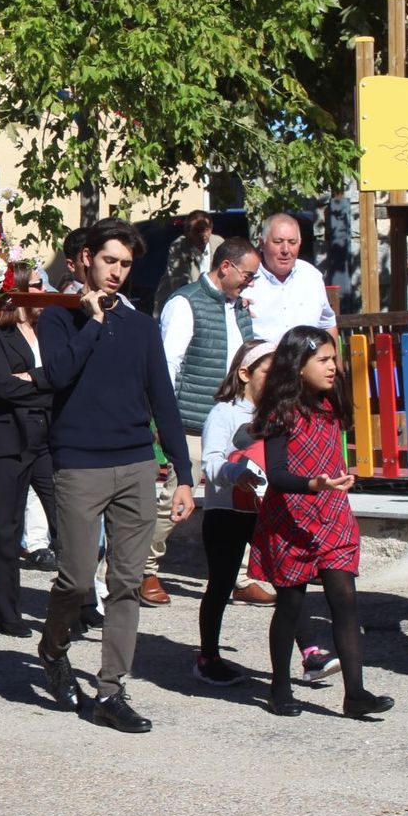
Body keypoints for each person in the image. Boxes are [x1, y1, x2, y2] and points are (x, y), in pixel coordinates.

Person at [35, 218, 195, 733]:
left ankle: (110, 689)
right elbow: (57, 376)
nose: (117, 273)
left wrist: (184, 474)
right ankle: (53, 648)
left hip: (135, 465)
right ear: (84, 259)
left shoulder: (143, 327)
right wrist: (95, 323)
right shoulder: (58, 318)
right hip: (79, 464)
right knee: (77, 579)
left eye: (125, 265)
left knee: (126, 582)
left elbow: (163, 402)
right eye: (109, 261)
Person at [249, 325, 393, 719]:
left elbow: (330, 441)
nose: (334, 368)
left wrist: (332, 483)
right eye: (324, 360)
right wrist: (313, 483)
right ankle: (280, 687)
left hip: (332, 516)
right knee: (291, 606)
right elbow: (275, 474)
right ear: (298, 366)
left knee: (345, 600)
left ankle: (356, 692)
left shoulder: (332, 402)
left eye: (335, 359)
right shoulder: (281, 411)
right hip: (291, 520)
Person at [194, 340, 341, 686]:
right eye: (267, 371)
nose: (276, 378)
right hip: (227, 511)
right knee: (222, 583)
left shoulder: (281, 413)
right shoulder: (224, 413)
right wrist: (236, 474)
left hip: (269, 509)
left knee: (289, 579)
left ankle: (311, 654)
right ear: (245, 373)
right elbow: (211, 460)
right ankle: (208, 657)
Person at [146, 237, 265, 608]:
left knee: (245, 496)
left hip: (237, 418)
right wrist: (161, 417)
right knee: (174, 498)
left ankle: (239, 577)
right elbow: (169, 363)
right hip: (192, 420)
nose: (251, 281)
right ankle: (141, 568)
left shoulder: (239, 306)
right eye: (247, 274)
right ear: (225, 267)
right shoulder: (185, 303)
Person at [0, 266, 57, 637]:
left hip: (47, 438)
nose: (45, 290)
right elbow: (3, 387)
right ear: (18, 292)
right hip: (6, 441)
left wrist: (34, 380)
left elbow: (66, 375)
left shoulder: (50, 330)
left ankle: (81, 602)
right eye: (38, 285)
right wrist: (49, 386)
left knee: (66, 518)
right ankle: (8, 613)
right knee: (6, 528)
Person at [240, 213, 337, 343]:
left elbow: (327, 325)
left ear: (300, 243)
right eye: (278, 242)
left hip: (306, 361)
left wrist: (336, 363)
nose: (285, 250)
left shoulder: (311, 276)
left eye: (292, 242)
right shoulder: (244, 280)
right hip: (262, 361)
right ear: (262, 243)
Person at [153, 210, 224, 313]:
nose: (202, 234)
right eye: (197, 230)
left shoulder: (218, 243)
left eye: (205, 229)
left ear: (211, 229)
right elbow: (181, 285)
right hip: (180, 305)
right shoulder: (179, 247)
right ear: (187, 232)